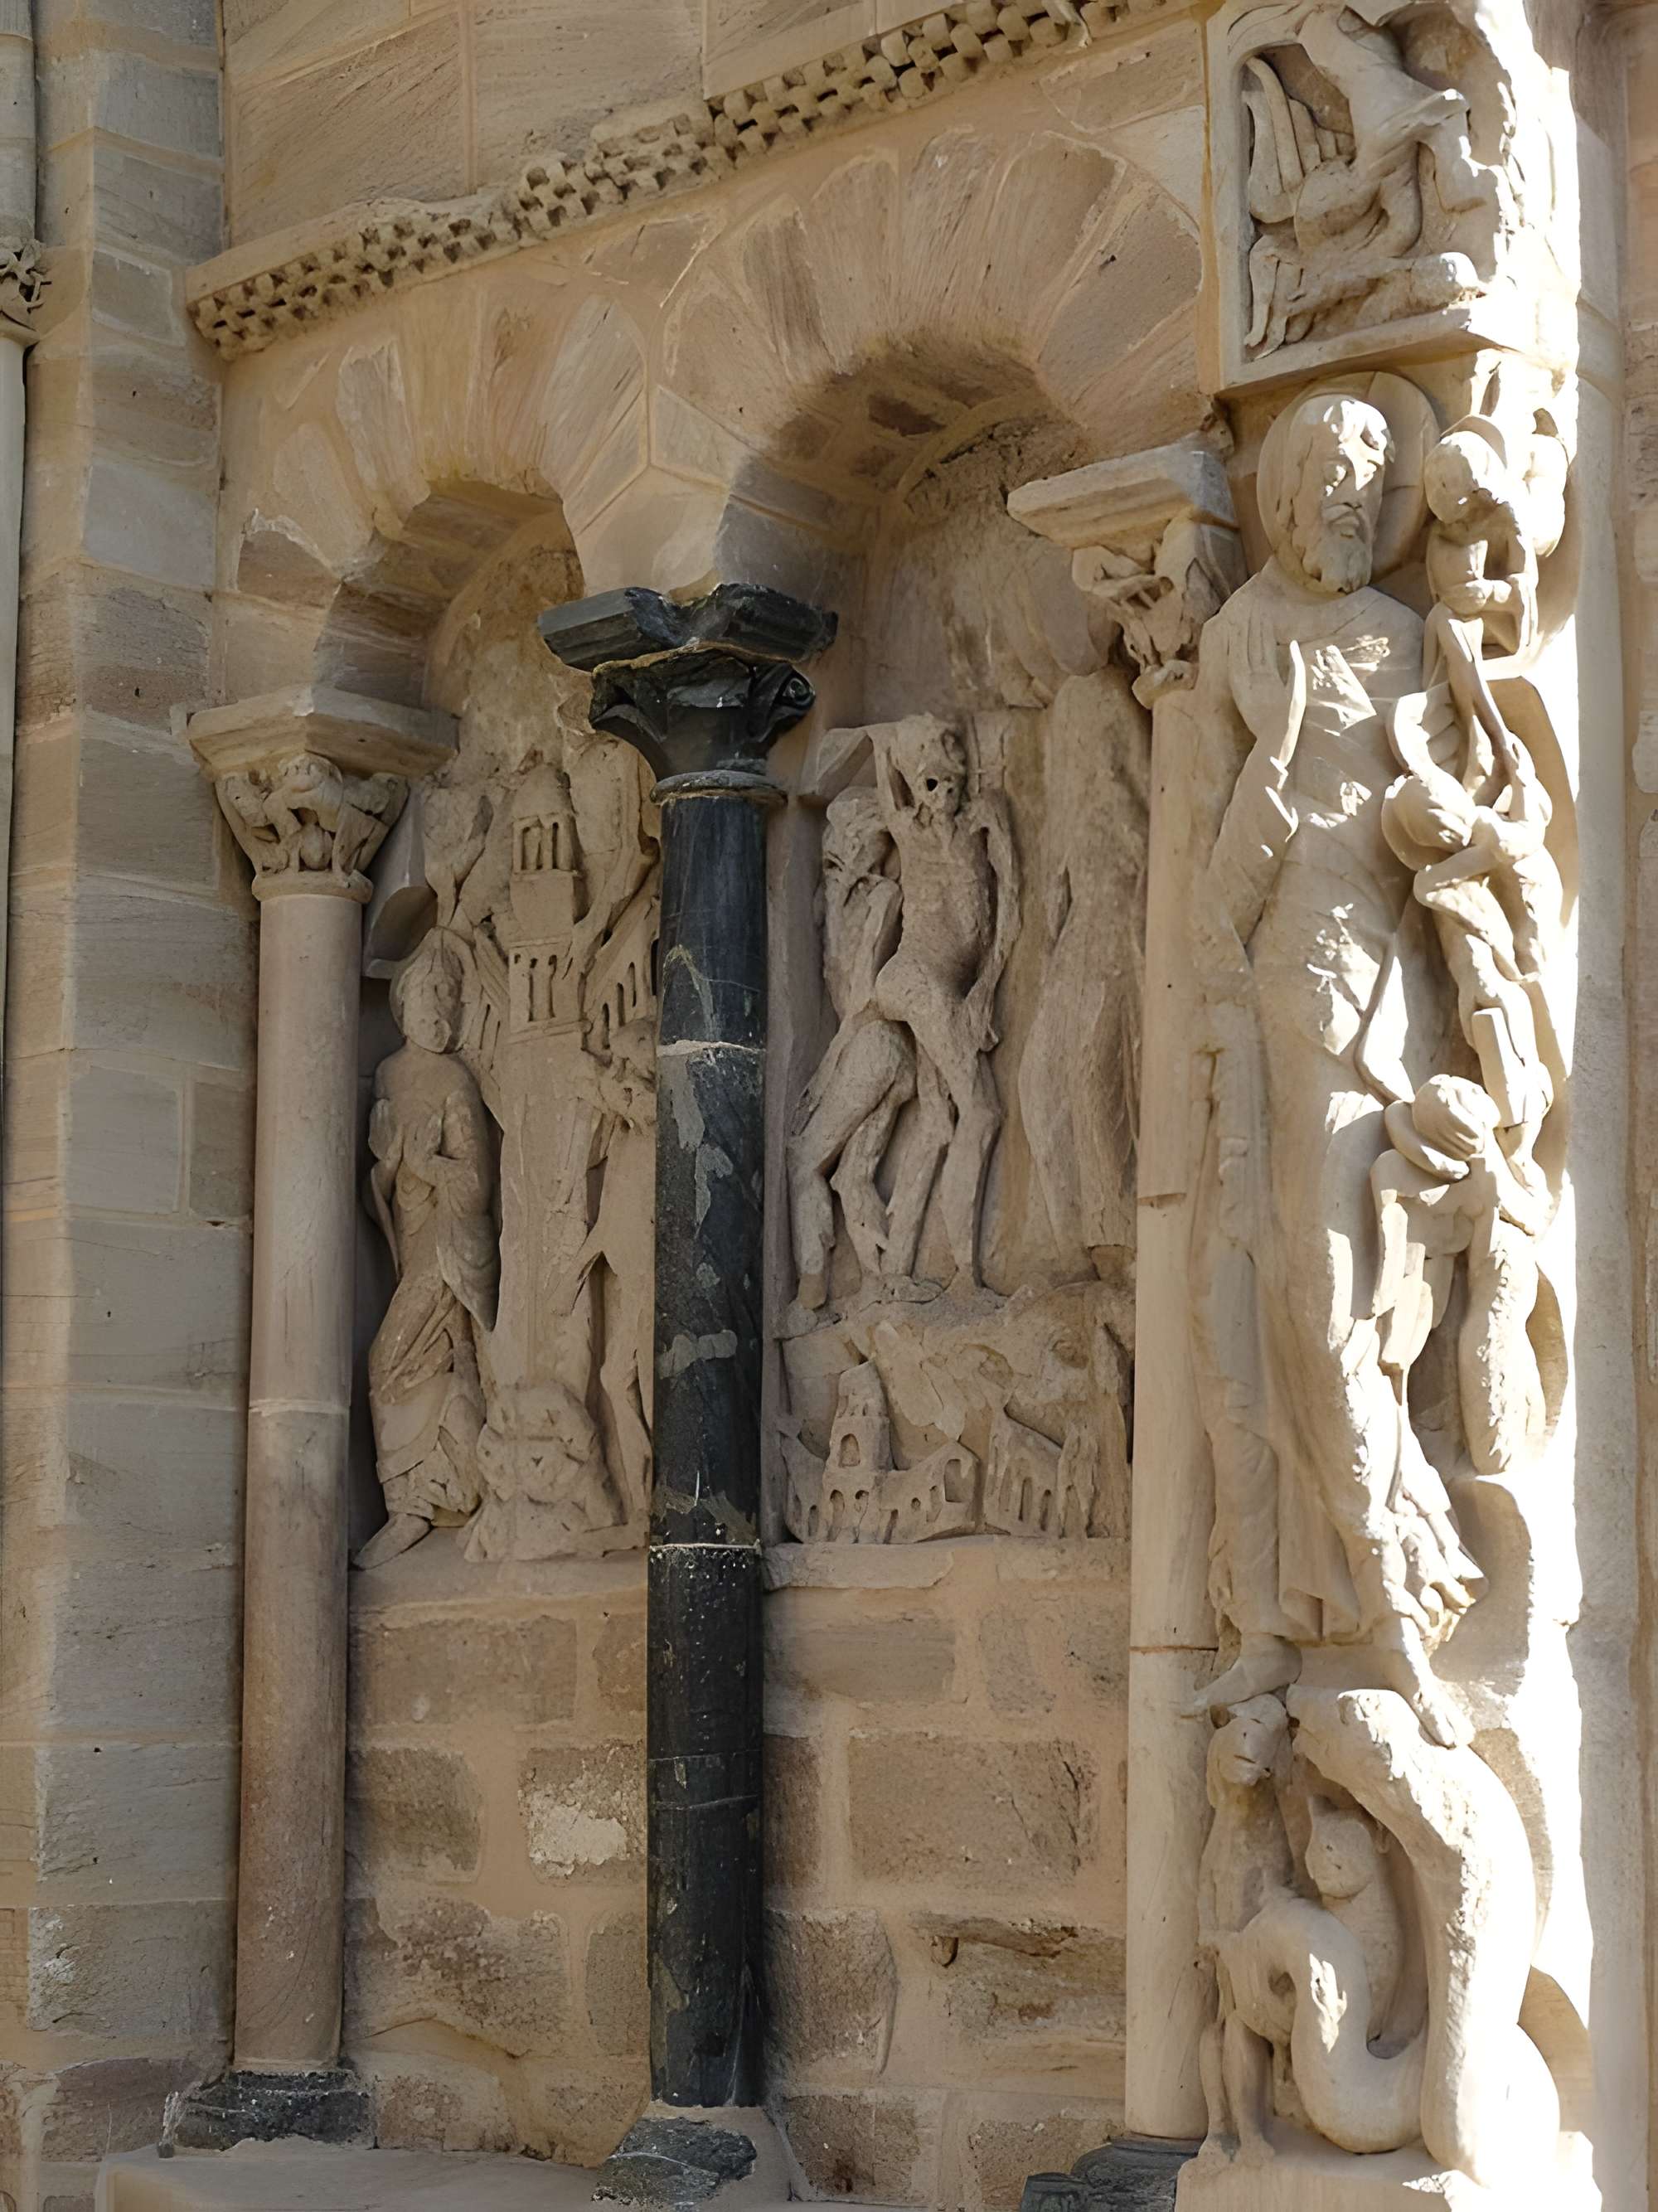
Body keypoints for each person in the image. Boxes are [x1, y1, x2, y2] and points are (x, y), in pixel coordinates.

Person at [358, 933, 499, 1569]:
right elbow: (376, 1192)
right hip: (409, 1243)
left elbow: (476, 1184)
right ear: (405, 1001)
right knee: (404, 1367)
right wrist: (389, 1167)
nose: (442, 1006)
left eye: (451, 993)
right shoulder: (389, 1074)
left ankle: (418, 1506)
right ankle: (418, 1499)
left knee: (387, 1361)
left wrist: (431, 1163)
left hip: (446, 1249)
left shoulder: (453, 1080)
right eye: (432, 992)